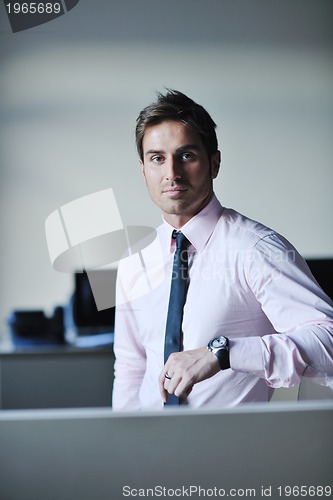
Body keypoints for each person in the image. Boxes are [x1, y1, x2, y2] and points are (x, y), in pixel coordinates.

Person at [112, 89, 333, 410]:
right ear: (143, 169)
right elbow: (131, 369)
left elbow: (328, 340)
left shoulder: (257, 249)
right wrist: (123, 446)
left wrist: (224, 353)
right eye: (157, 158)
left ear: (214, 163)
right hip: (148, 451)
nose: (171, 173)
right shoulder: (133, 261)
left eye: (186, 155)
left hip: (232, 452)